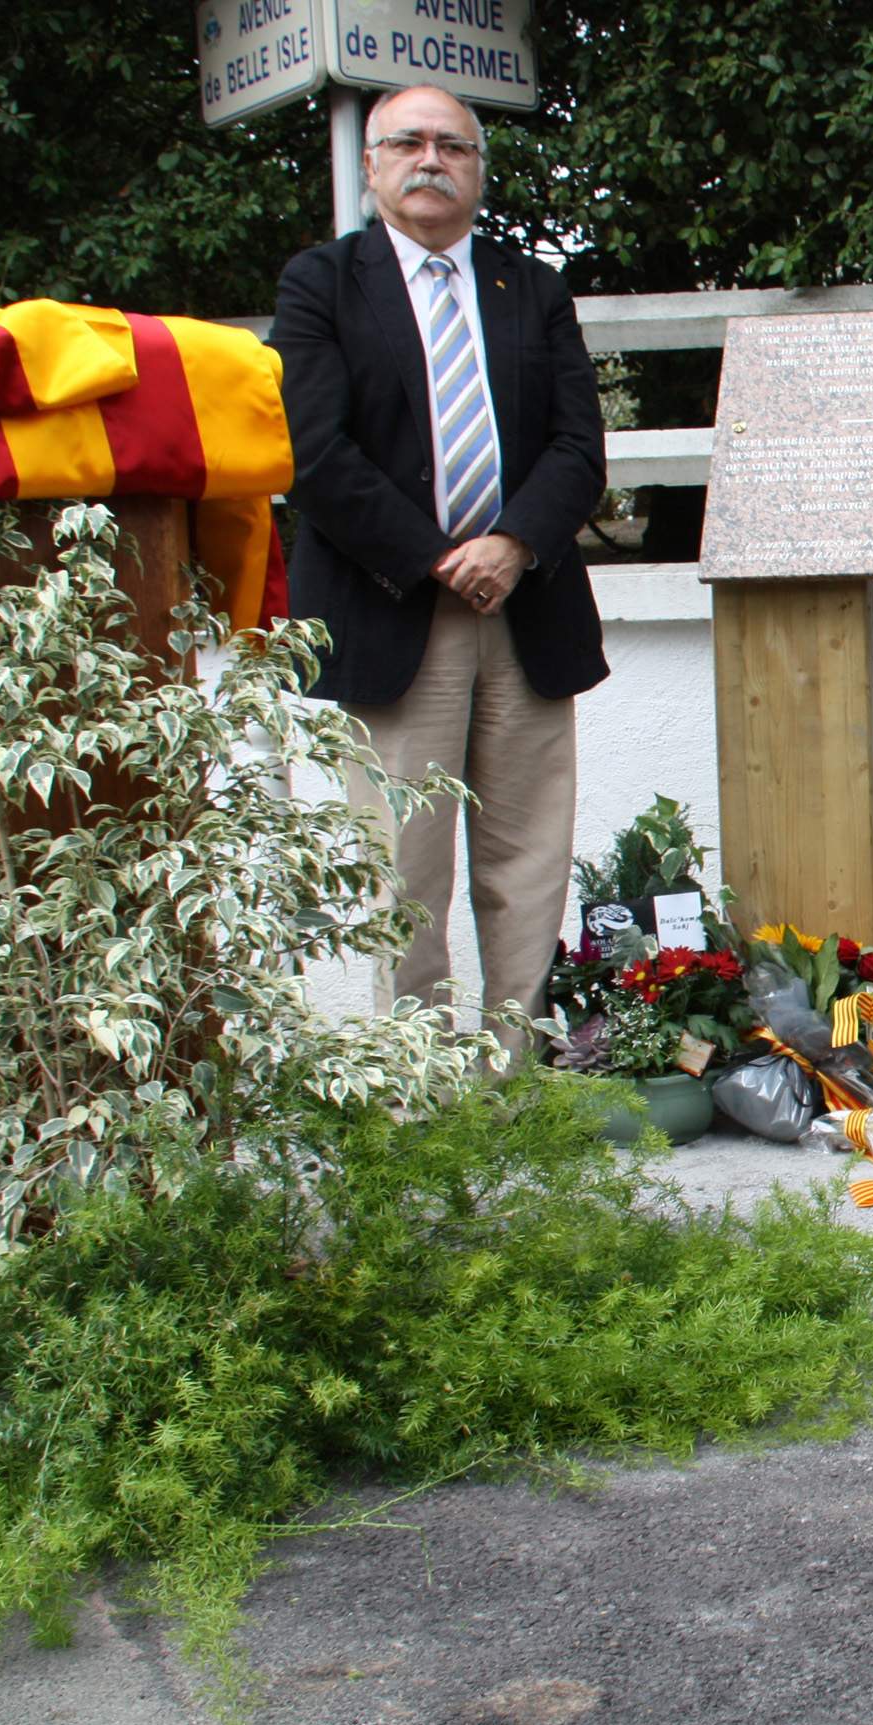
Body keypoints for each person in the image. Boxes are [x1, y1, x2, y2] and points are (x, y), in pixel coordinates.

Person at [271, 83, 609, 1059]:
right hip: (393, 610)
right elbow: (315, 454)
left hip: (525, 605)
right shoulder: (321, 285)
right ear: (371, 165)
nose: (431, 159)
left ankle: (518, 1081)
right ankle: (420, 1086)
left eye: (453, 146)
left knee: (527, 859)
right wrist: (433, 557)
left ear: (477, 168)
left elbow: (577, 446)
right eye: (407, 143)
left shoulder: (530, 287)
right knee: (404, 867)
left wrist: (509, 545)